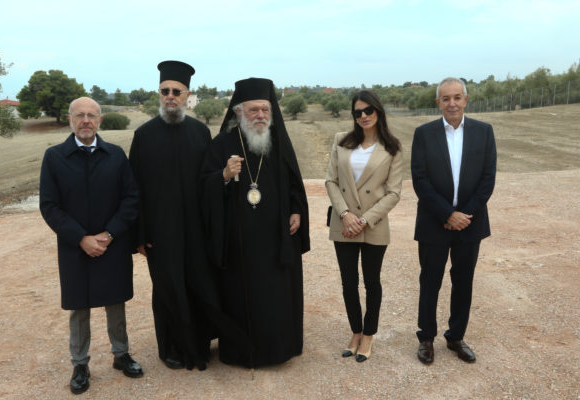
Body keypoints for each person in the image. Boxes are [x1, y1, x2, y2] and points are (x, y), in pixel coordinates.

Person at [201, 77, 310, 368]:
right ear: (239, 112)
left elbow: (294, 184)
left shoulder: (279, 143)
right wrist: (223, 176)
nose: (260, 115)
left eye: (265, 109)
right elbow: (204, 187)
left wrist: (296, 210)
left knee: (275, 297)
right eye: (253, 110)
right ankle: (240, 350)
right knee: (241, 297)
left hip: (275, 237)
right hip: (239, 243)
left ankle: (279, 349)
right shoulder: (222, 144)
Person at [39, 97, 143, 395]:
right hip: (75, 246)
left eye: (91, 115)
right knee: (79, 305)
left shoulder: (116, 155)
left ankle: (121, 354)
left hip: (112, 243)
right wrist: (81, 238)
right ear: (70, 119)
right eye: (80, 115)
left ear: (100, 120)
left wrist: (109, 234)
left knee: (115, 300)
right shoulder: (54, 157)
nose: (86, 121)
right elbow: (49, 205)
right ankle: (80, 364)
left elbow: (131, 198)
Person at [129, 61, 217, 371]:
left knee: (196, 285)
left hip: (196, 230)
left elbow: (210, 181)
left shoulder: (201, 133)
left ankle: (199, 345)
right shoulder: (143, 135)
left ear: (186, 95)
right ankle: (170, 348)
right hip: (160, 233)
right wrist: (139, 235)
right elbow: (134, 189)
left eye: (176, 92)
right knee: (167, 290)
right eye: (165, 91)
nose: (170, 96)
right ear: (159, 93)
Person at [411, 77, 497, 365]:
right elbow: (420, 179)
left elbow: (488, 179)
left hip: (470, 224)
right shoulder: (424, 134)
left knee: (463, 282)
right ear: (438, 102)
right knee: (430, 281)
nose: (452, 103)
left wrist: (464, 215)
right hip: (434, 222)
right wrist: (447, 214)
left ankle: (456, 337)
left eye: (457, 97)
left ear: (466, 99)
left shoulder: (484, 132)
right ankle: (426, 338)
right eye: (446, 98)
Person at [325, 90, 403, 362]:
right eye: (358, 112)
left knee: (372, 282)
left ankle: (369, 334)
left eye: (368, 110)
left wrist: (364, 220)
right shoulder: (341, 140)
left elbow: (394, 192)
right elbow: (331, 180)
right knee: (348, 282)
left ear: (378, 111)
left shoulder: (392, 147)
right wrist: (345, 214)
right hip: (343, 223)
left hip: (373, 224)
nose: (363, 116)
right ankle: (355, 332)